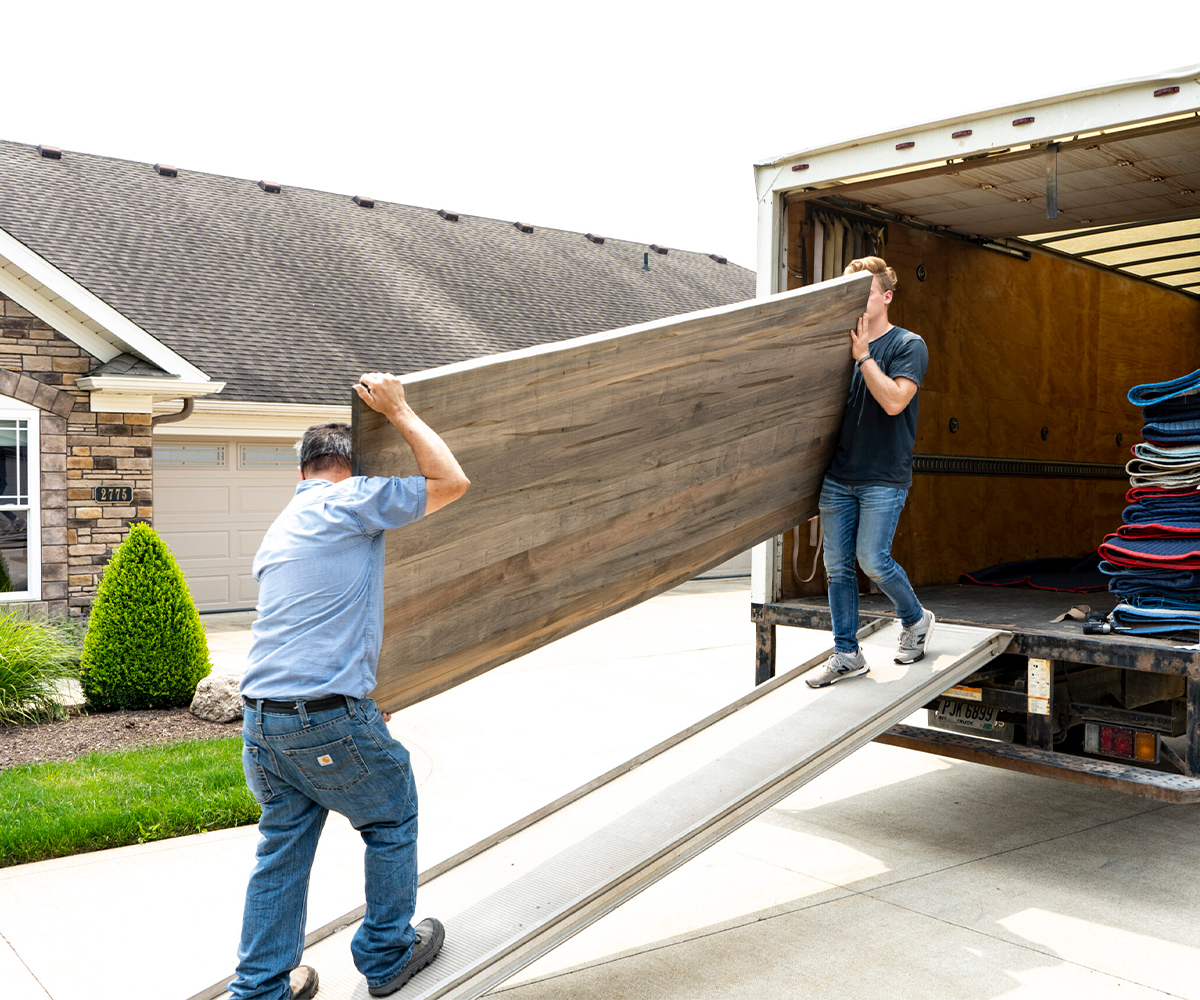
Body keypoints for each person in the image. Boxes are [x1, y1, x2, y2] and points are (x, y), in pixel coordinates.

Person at [230, 372, 470, 1000]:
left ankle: (258, 987)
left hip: (262, 724)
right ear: (349, 467)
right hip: (319, 718)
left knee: (282, 849)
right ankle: (387, 954)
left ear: (302, 469)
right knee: (391, 819)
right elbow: (452, 482)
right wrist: (399, 409)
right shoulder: (348, 500)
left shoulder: (286, 522)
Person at [805, 257, 934, 689]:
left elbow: (896, 401)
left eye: (864, 289)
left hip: (883, 475)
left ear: (886, 297)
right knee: (838, 567)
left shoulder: (908, 345)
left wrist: (863, 358)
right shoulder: (837, 344)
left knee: (872, 560)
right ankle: (846, 652)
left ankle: (915, 619)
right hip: (839, 476)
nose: (855, 298)